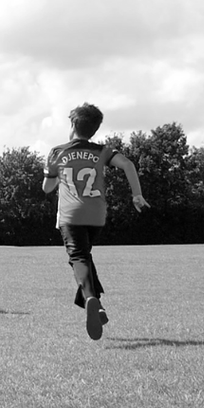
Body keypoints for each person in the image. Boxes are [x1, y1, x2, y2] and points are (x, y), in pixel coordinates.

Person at [42, 103, 150, 341]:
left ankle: (90, 297)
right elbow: (128, 165)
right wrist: (137, 195)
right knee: (85, 255)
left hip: (71, 215)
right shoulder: (103, 151)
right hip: (97, 216)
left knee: (78, 257)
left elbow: (47, 187)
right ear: (95, 129)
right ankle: (97, 304)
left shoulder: (57, 151)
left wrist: (58, 177)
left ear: (72, 125)